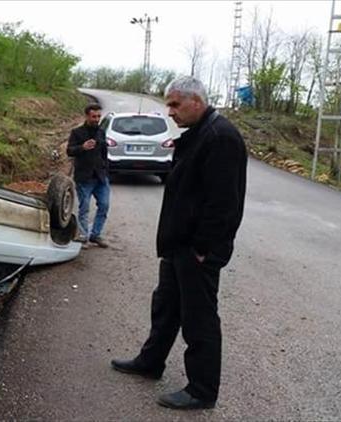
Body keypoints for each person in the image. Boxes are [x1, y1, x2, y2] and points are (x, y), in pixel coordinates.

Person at [110, 76, 247, 410]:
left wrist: (203, 247)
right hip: (179, 245)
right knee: (166, 307)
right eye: (168, 104)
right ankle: (150, 361)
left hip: (197, 249)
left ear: (196, 101)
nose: (169, 112)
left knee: (198, 318)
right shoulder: (198, 134)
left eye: (174, 104)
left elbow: (224, 204)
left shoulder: (220, 137)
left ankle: (201, 390)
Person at [66, 103, 110, 248]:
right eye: (93, 116)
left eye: (98, 116)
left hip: (100, 177)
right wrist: (82, 147)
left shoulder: (101, 132)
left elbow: (104, 152)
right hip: (84, 178)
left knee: (104, 205)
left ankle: (95, 235)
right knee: (84, 209)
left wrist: (106, 169)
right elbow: (69, 151)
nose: (96, 119)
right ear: (87, 116)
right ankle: (84, 237)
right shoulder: (77, 132)